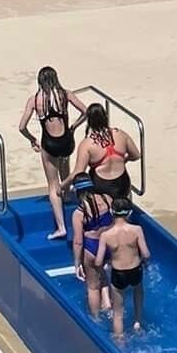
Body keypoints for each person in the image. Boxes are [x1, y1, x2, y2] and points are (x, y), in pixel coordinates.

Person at [19, 66, 89, 239]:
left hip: (49, 144)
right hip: (66, 141)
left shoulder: (35, 100)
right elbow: (86, 111)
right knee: (65, 167)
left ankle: (61, 227)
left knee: (52, 185)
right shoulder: (66, 94)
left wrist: (32, 139)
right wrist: (73, 126)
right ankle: (67, 197)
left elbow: (22, 127)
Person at [97, 201, 151, 339]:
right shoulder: (137, 230)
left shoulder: (106, 235)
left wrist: (105, 265)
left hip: (118, 273)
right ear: (130, 213)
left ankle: (120, 340)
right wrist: (144, 263)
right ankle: (137, 321)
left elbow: (98, 261)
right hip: (135, 270)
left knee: (118, 313)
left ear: (111, 212)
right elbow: (146, 254)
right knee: (138, 289)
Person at [70, 180, 115, 321]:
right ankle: (108, 304)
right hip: (109, 243)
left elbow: (78, 241)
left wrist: (77, 263)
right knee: (106, 275)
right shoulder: (107, 199)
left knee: (93, 287)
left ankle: (96, 319)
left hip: (92, 246)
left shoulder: (79, 213)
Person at [80, 103, 140, 204]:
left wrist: (63, 185)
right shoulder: (120, 134)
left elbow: (78, 172)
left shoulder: (87, 144)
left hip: (100, 186)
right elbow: (136, 155)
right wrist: (124, 160)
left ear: (89, 121)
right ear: (105, 117)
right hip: (122, 184)